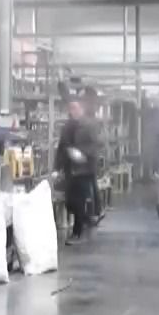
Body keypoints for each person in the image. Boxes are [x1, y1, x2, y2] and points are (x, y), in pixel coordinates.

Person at [55, 98, 103, 242]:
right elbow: (62, 147)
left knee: (79, 200)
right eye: (71, 108)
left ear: (82, 109)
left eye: (76, 108)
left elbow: (96, 145)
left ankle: (77, 232)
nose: (73, 111)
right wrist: (57, 167)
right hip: (70, 169)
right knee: (70, 201)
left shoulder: (89, 126)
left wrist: (82, 154)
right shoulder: (67, 127)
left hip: (84, 169)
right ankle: (86, 219)